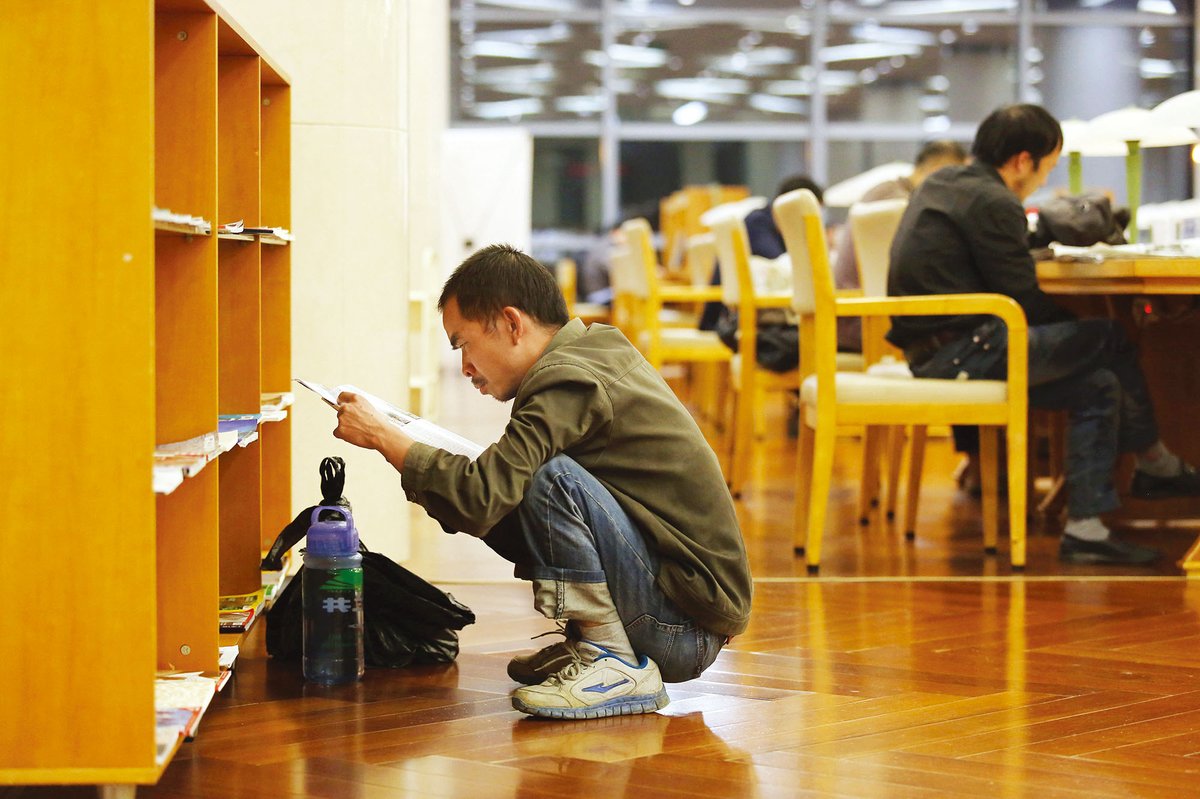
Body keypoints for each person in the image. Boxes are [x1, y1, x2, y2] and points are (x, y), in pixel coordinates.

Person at [331, 244, 753, 718]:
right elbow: (491, 502)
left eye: (463, 343)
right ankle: (597, 642)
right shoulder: (585, 355)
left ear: (513, 324)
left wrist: (385, 438)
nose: (465, 366)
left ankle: (611, 658)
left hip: (684, 627)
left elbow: (484, 494)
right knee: (522, 486)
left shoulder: (568, 377)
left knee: (548, 480)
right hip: (686, 613)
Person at [886, 103, 1200, 566]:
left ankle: (1086, 530)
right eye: (1046, 168)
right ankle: (1156, 463)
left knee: (1100, 384)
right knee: (1110, 336)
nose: (1043, 181)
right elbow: (1025, 302)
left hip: (942, 345)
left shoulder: (945, 183)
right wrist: (1076, 326)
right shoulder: (994, 201)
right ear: (1022, 161)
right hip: (966, 348)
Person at [832, 140, 969, 353]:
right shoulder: (903, 205)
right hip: (867, 322)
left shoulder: (884, 191)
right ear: (938, 172)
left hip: (849, 316)